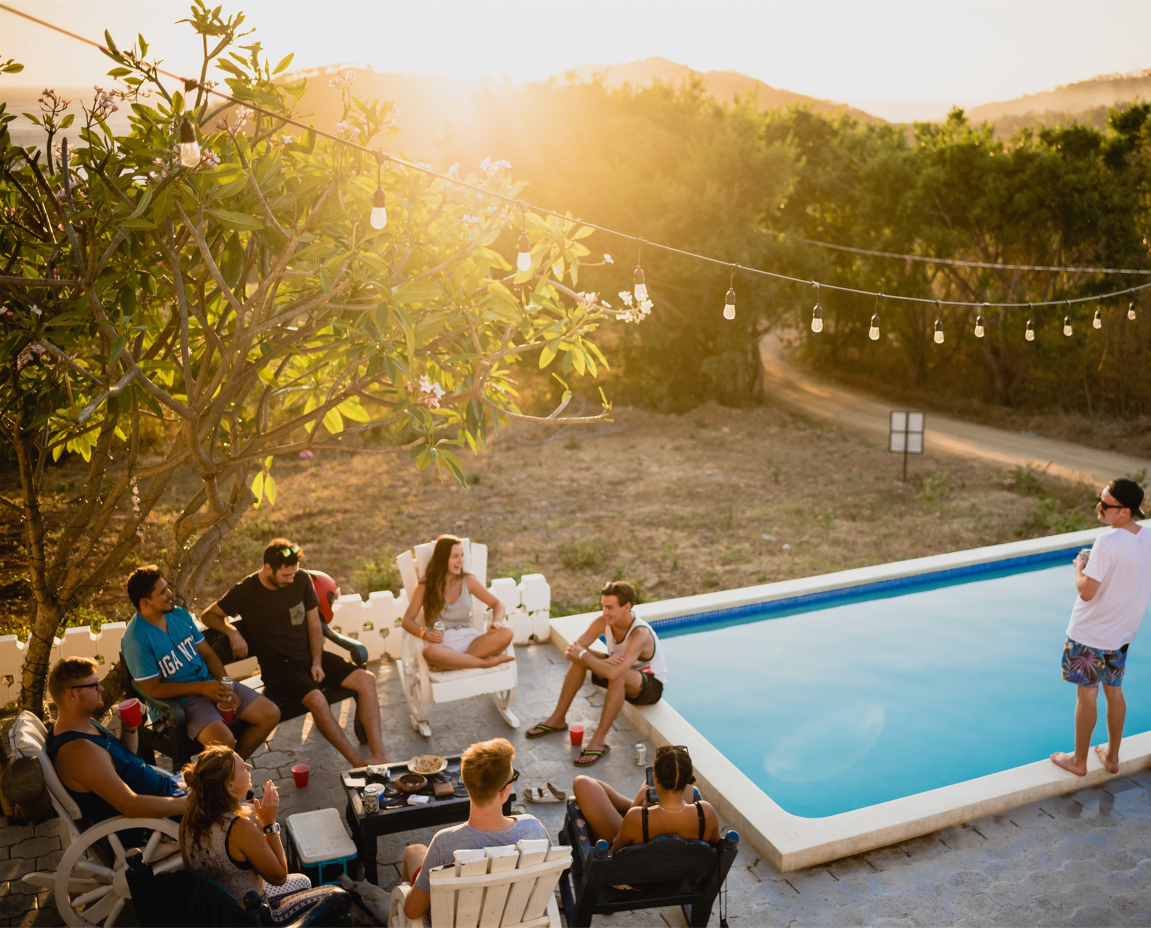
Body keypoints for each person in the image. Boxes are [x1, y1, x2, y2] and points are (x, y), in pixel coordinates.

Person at [200, 539, 389, 766]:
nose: (291, 580)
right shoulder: (246, 591)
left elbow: (314, 624)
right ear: (268, 568)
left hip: (308, 657)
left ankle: (379, 756)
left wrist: (317, 662)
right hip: (278, 669)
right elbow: (208, 615)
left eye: (293, 574)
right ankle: (359, 765)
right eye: (285, 575)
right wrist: (232, 631)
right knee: (318, 701)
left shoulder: (301, 579)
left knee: (367, 680)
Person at [122, 565, 280, 759]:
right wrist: (203, 688)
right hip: (180, 705)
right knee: (225, 742)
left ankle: (229, 772)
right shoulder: (136, 640)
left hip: (211, 685)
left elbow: (208, 655)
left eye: (167, 588)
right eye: (163, 592)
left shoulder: (179, 614)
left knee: (270, 713)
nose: (170, 593)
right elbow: (153, 690)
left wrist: (226, 685)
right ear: (146, 602)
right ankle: (226, 774)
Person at [1052, 478, 1151, 777]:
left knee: (1087, 696)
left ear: (1124, 512)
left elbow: (1086, 592)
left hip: (1090, 635)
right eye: (1100, 499)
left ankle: (1078, 761)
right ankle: (1112, 757)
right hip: (1121, 635)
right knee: (1114, 691)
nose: (1099, 506)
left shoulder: (1107, 542)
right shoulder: (1146, 537)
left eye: (1105, 505)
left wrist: (1080, 567)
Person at [401, 738, 548, 923]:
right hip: (514, 918)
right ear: (504, 792)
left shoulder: (445, 843)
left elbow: (412, 911)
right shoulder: (533, 829)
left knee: (413, 851)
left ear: (466, 784)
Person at [526, 581, 667, 767]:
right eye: (603, 605)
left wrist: (586, 655)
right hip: (618, 669)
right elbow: (571, 651)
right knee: (580, 660)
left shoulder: (639, 633)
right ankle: (557, 719)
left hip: (648, 686)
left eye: (610, 607)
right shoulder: (603, 622)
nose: (604, 612)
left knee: (613, 671)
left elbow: (614, 670)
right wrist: (593, 658)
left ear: (627, 607)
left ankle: (598, 742)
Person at [46, 657, 187, 824]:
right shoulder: (79, 751)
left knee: (220, 772)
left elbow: (121, 761)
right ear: (72, 695)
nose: (101, 688)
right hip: (159, 820)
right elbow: (130, 805)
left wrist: (129, 727)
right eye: (94, 685)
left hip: (168, 792)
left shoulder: (83, 724)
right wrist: (192, 804)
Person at [180, 745, 311, 902]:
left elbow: (189, 871)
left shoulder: (188, 819)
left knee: (301, 881)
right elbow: (279, 877)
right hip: (246, 916)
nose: (249, 766)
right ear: (230, 786)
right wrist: (270, 824)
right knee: (313, 887)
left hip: (210, 912)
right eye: (242, 768)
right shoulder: (239, 828)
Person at [573, 744, 719, 851]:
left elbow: (614, 855)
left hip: (638, 880)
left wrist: (637, 805)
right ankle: (653, 805)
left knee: (582, 783)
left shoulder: (636, 817)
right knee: (677, 768)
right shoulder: (706, 812)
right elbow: (715, 847)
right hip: (681, 875)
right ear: (688, 780)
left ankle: (642, 803)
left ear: (655, 779)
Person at [400, 535, 514, 670]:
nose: (461, 561)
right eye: (455, 556)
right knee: (429, 652)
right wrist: (424, 634)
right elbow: (407, 620)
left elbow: (497, 604)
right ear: (442, 559)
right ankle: (485, 663)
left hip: (470, 640)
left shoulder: (468, 581)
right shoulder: (426, 586)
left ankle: (451, 664)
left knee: (507, 633)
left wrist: (496, 621)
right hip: (442, 643)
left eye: (462, 555)